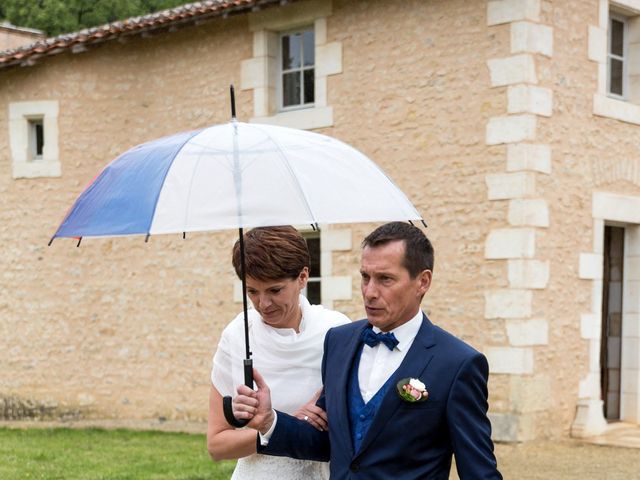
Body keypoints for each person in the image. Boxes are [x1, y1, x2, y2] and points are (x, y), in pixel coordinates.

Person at [233, 222, 502, 479]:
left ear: (423, 282)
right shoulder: (338, 341)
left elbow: (478, 470)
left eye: (385, 279)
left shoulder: (457, 364)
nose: (369, 292)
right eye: (365, 277)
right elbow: (328, 444)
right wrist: (270, 421)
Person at [207, 226, 350, 479]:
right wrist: (276, 425)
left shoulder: (336, 329)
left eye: (275, 290)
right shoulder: (237, 334)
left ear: (303, 277)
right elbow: (217, 446)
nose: (263, 304)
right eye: (252, 291)